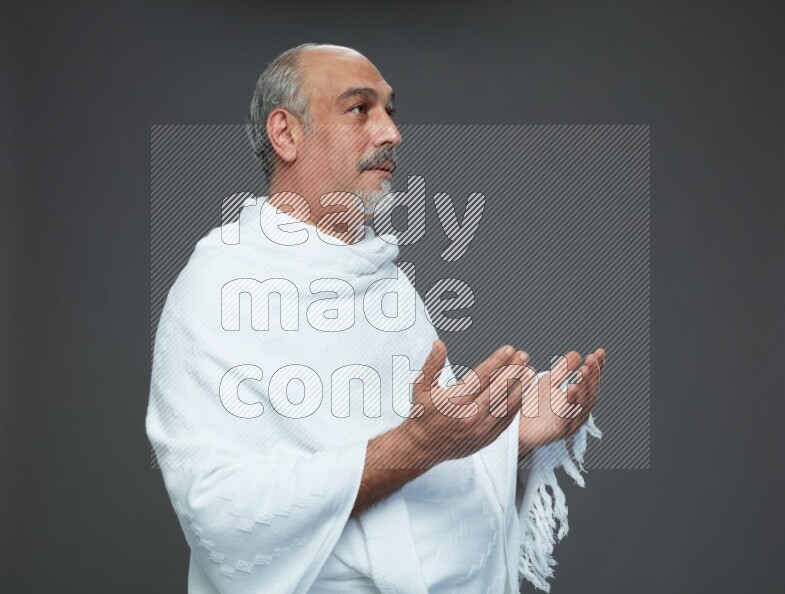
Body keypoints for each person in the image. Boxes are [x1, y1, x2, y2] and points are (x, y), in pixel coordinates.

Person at [146, 43, 605, 593]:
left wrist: (512, 436)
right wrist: (419, 444)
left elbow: (429, 457)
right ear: (286, 134)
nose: (391, 133)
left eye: (390, 110)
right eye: (360, 109)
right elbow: (218, 511)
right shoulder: (218, 289)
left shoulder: (383, 279)